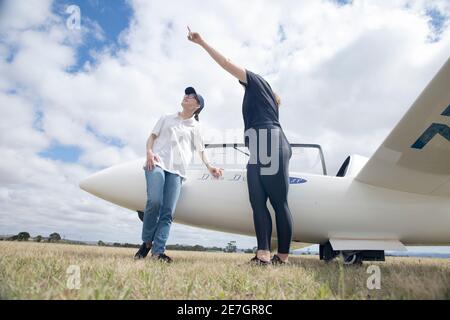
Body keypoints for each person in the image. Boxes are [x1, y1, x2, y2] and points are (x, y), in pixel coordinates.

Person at [188, 27, 293, 265]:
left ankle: (283, 257)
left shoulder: (257, 82)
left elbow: (226, 63)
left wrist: (202, 42)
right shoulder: (260, 97)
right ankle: (263, 254)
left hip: (270, 140)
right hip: (258, 145)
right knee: (257, 200)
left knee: (278, 202)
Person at [134, 86, 223, 262]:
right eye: (187, 95)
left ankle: (158, 251)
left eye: (192, 97)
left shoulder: (196, 127)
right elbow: (151, 137)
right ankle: (146, 243)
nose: (187, 97)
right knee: (154, 202)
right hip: (157, 163)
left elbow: (201, 150)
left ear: (197, 106)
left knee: (168, 211)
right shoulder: (166, 118)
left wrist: (210, 166)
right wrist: (149, 153)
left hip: (178, 171)